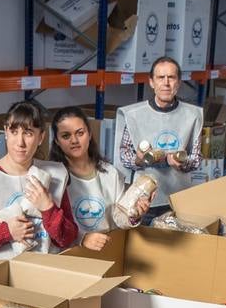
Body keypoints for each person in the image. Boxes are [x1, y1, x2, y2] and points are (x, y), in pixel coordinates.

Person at [0, 101, 77, 260]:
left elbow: (67, 238)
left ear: (41, 137)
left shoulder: (54, 176)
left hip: (44, 273)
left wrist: (48, 208)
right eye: (14, 131)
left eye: (28, 133)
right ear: (5, 131)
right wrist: (7, 232)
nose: (20, 143)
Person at [49, 106, 151, 251]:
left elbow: (119, 217)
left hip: (106, 251)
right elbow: (53, 226)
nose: (74, 140)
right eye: (66, 136)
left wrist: (134, 214)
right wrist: (82, 238)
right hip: (70, 257)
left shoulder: (110, 174)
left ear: (89, 134)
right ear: (57, 141)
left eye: (80, 133)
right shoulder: (53, 179)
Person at [116, 56, 203, 216]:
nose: (166, 83)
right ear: (151, 82)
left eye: (171, 77)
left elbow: (196, 159)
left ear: (179, 82)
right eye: (160, 77)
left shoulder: (193, 115)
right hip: (144, 199)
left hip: (179, 198)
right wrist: (139, 159)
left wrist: (181, 163)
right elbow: (124, 155)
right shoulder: (134, 115)